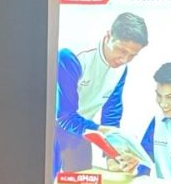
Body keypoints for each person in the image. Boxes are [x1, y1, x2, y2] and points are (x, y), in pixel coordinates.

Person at [54, 12, 148, 174]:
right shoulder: (72, 56)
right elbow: (64, 116)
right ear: (108, 36)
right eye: (121, 50)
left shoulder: (121, 69)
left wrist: (112, 156)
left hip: (81, 131)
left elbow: (111, 115)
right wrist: (103, 131)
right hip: (50, 129)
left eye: (132, 55)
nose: (124, 59)